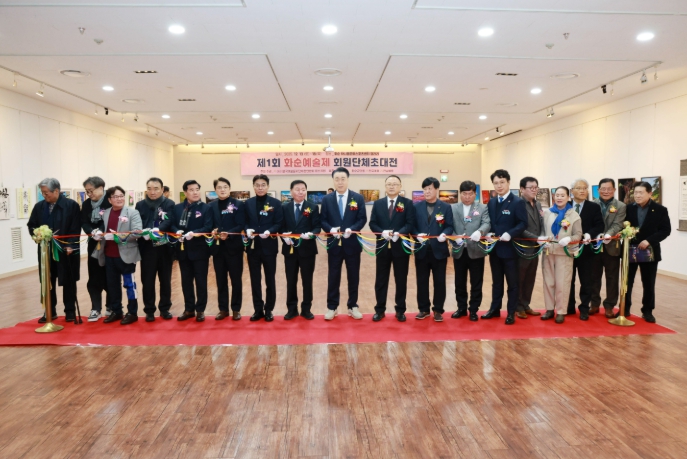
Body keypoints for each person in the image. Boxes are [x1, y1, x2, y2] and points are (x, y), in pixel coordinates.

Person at [27, 178, 81, 323]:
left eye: (46, 193)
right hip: (45, 251)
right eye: (42, 193)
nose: (44, 196)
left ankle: (70, 311)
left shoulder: (71, 205)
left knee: (68, 280)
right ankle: (50, 311)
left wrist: (71, 245)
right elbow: (31, 225)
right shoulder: (39, 207)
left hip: (66, 250)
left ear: (56, 191)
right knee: (47, 280)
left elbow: (75, 227)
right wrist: (37, 234)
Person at [320, 167, 368, 320]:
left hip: (352, 244)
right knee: (333, 277)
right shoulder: (327, 199)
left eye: (343, 179)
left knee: (353, 277)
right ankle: (332, 307)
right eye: (337, 179)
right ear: (333, 181)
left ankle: (353, 306)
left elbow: (362, 218)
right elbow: (323, 220)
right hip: (334, 244)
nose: (340, 182)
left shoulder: (357, 198)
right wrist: (330, 229)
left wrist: (352, 229)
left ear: (348, 179)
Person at [162, 180, 213, 322]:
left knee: (201, 282)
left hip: (200, 250)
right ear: (185, 192)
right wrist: (176, 231)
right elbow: (172, 224)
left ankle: (200, 310)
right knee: (186, 281)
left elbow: (208, 226)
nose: (195, 192)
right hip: (182, 250)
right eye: (191, 190)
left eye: (197, 189)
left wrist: (194, 233)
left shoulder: (206, 208)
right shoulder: (177, 208)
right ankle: (189, 309)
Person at [91, 186, 143, 324]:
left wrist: (118, 237)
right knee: (112, 285)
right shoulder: (106, 213)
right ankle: (116, 311)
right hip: (109, 255)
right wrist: (98, 233)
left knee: (129, 285)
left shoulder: (133, 213)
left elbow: (137, 232)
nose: (119, 199)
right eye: (115, 196)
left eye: (121, 196)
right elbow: (103, 229)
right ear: (109, 200)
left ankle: (132, 312)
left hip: (127, 255)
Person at [622, 181, 671, 323]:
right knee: (627, 281)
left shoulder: (660, 210)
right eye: (635, 193)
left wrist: (649, 240)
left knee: (648, 283)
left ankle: (647, 311)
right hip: (630, 250)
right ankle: (625, 308)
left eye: (641, 193)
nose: (637, 195)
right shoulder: (628, 208)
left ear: (649, 193)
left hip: (649, 250)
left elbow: (665, 230)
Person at [483, 169, 527, 325]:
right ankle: (494, 309)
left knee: (512, 283)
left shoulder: (517, 202)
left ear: (508, 182)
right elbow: (491, 223)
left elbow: (523, 223)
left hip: (510, 250)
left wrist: (510, 233)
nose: (499, 186)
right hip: (495, 249)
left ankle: (510, 313)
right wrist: (489, 233)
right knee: (496, 282)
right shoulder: (492, 202)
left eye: (502, 182)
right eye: (496, 183)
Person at [369, 175, 415, 322]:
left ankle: (400, 310)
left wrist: (399, 233)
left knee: (401, 280)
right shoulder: (378, 203)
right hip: (382, 247)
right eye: (389, 184)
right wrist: (381, 232)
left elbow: (410, 223)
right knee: (381, 280)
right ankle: (380, 309)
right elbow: (372, 223)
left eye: (395, 184)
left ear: (400, 186)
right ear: (385, 186)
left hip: (400, 247)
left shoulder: (407, 203)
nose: (392, 186)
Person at [413, 177, 454, 321]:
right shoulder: (416, 207)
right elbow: (412, 226)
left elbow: (449, 226)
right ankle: (423, 309)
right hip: (421, 250)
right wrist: (416, 235)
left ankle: (438, 310)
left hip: (439, 251)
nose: (427, 191)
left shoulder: (445, 207)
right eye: (424, 189)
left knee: (440, 282)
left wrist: (445, 234)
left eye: (430, 188)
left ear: (436, 189)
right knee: (422, 281)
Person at [244, 174, 284, 322]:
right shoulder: (248, 203)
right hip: (253, 247)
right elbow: (245, 221)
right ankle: (258, 309)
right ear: (253, 186)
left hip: (269, 247)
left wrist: (270, 231)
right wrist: (247, 229)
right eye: (257, 185)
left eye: (263, 185)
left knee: (270, 279)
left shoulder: (276, 203)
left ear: (268, 186)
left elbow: (279, 222)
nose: (260, 188)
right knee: (255, 280)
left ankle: (269, 309)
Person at [540, 186, 583, 323]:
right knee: (548, 282)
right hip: (548, 252)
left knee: (562, 283)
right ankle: (549, 309)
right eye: (557, 195)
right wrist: (542, 241)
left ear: (568, 197)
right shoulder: (547, 213)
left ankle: (561, 311)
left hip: (564, 254)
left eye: (562, 195)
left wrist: (569, 239)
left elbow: (578, 235)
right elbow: (542, 231)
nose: (559, 198)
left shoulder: (573, 215)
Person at [135, 177, 175, 322]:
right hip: (146, 248)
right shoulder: (140, 205)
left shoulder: (169, 204)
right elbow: (137, 222)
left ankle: (165, 308)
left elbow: (169, 220)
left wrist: (158, 230)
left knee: (165, 280)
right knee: (147, 280)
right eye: (149, 189)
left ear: (162, 189)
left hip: (164, 247)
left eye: (156, 189)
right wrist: (144, 232)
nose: (152, 192)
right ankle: (149, 310)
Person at [280, 179, 321, 320]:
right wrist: (284, 237)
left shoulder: (313, 207)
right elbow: (281, 226)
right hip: (290, 249)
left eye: (303, 189)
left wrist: (311, 234)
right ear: (291, 191)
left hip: (307, 250)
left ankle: (306, 309)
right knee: (291, 281)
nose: (300, 192)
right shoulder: (284, 207)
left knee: (307, 281)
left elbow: (317, 227)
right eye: (297, 189)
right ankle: (292, 309)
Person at [449, 180, 490, 321]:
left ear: (475, 194)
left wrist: (480, 231)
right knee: (459, 282)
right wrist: (454, 237)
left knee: (476, 282)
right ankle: (461, 308)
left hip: (476, 250)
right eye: (464, 194)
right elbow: (448, 226)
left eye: (470, 194)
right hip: (459, 249)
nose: (467, 197)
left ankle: (473, 309)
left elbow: (487, 223)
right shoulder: (452, 208)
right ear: (460, 194)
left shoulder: (483, 207)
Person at [567, 179, 605, 321]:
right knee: (568, 279)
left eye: (585, 188)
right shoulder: (566, 205)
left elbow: (600, 225)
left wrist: (589, 234)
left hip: (586, 250)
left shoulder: (593, 207)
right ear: (572, 191)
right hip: (568, 249)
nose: (582, 191)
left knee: (587, 281)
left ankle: (584, 308)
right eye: (579, 188)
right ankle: (569, 307)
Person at [209, 177, 245, 320]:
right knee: (220, 280)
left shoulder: (238, 204)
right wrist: (212, 231)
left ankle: (236, 309)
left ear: (229, 189)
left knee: (236, 280)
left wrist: (228, 233)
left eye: (225, 187)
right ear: (215, 190)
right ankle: (223, 309)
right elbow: (209, 224)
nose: (222, 189)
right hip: (218, 249)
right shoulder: (211, 206)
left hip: (234, 248)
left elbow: (241, 224)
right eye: (219, 187)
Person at [591, 178, 627, 318]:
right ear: (598, 190)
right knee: (594, 277)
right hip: (594, 246)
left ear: (614, 190)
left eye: (609, 189)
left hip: (612, 247)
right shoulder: (592, 204)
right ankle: (594, 304)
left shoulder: (621, 206)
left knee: (612, 278)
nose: (606, 191)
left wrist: (608, 235)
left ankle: (609, 306)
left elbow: (618, 224)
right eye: (603, 189)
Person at [80, 176, 112, 322]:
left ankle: (111, 306)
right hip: (94, 244)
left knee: (110, 276)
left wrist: (101, 230)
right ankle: (95, 308)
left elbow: (112, 219)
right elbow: (84, 222)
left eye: (91, 190)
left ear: (101, 188)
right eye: (87, 191)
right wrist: (91, 231)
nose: (89, 194)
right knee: (94, 277)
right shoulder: (86, 204)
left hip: (110, 243)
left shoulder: (110, 201)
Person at [516, 176, 544, 319]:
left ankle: (526, 304)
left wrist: (543, 237)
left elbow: (541, 223)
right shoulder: (518, 204)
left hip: (535, 248)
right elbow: (519, 227)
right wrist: (536, 238)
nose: (534, 190)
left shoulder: (538, 204)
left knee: (530, 278)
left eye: (536, 187)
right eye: (530, 187)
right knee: (519, 278)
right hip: (522, 248)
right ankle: (518, 307)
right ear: (522, 189)